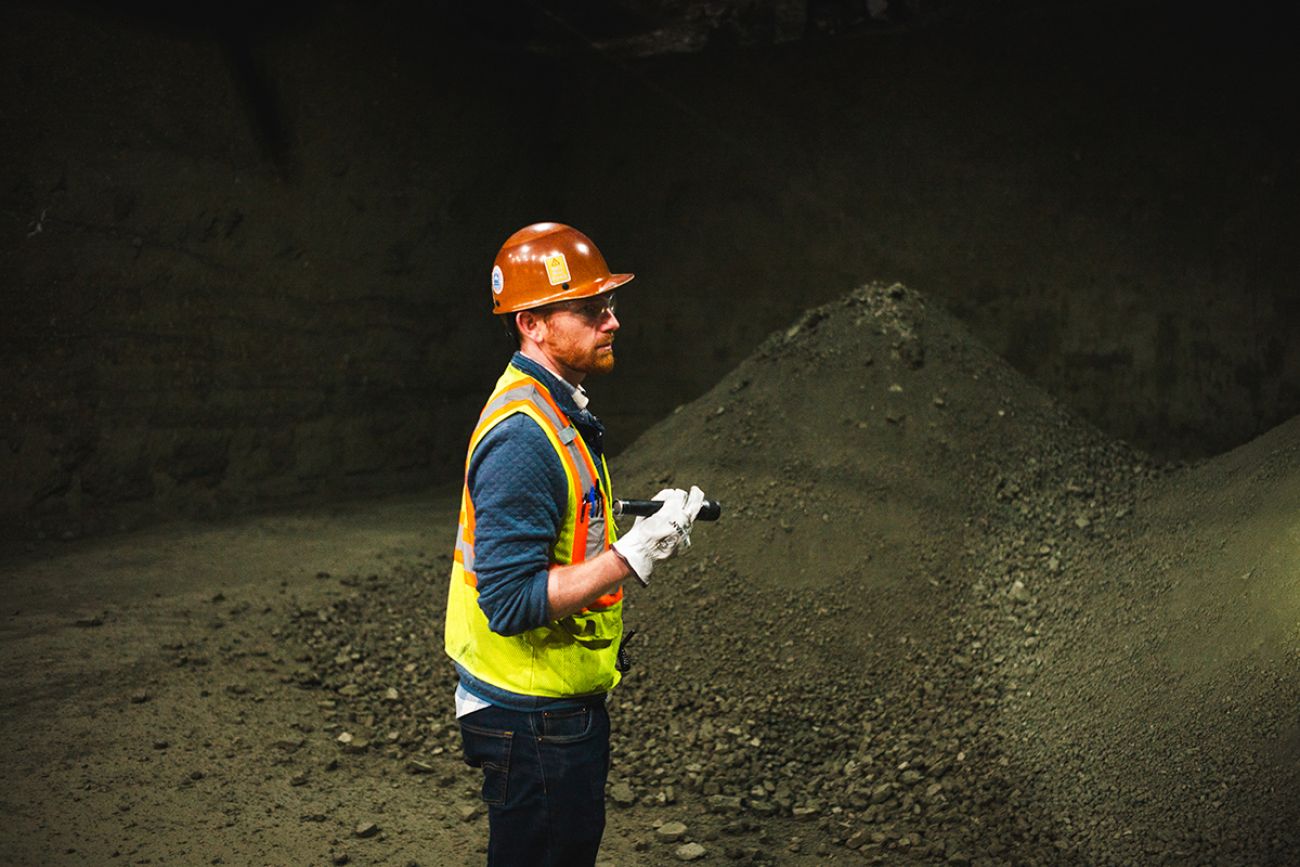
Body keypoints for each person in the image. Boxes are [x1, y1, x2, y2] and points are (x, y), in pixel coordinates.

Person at [444, 221, 708, 866]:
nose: (611, 321)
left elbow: (556, 527)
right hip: (531, 716)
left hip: (542, 707)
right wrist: (634, 553)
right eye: (590, 310)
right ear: (532, 323)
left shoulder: (555, 410)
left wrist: (626, 522)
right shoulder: (526, 435)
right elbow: (508, 602)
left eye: (609, 305)